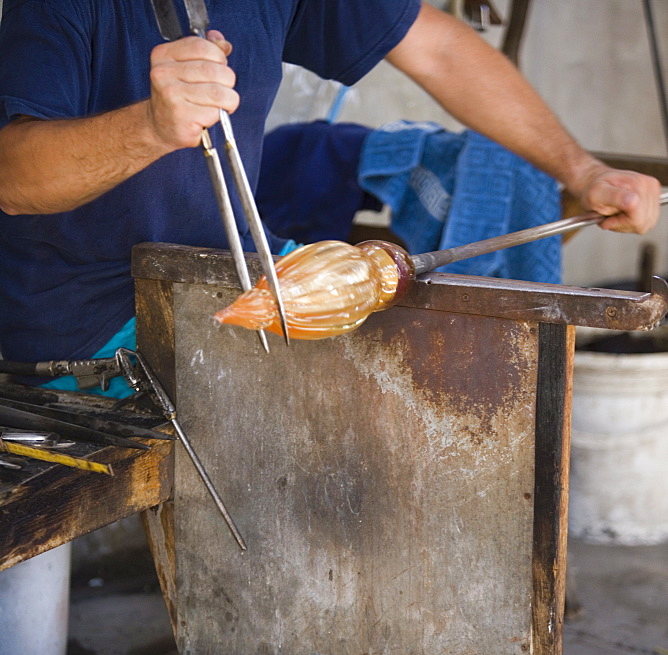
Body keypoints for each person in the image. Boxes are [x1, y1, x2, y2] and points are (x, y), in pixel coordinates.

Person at [0, 0, 662, 395]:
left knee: (450, 370)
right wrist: (149, 126)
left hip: (210, 281)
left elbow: (435, 48)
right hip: (81, 325)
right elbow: (12, 177)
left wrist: (583, 171)